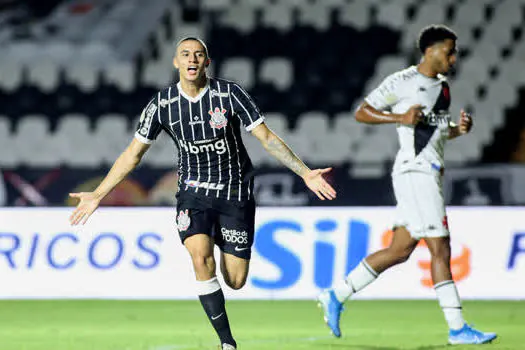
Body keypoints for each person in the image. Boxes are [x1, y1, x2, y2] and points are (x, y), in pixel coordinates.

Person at [69, 37, 336, 350]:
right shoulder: (162, 104)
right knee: (200, 258)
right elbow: (132, 154)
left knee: (235, 280)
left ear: (207, 62)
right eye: (185, 54)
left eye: (198, 54)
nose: (192, 59)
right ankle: (227, 343)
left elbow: (266, 138)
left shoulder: (230, 93)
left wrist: (304, 172)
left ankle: (224, 238)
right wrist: (99, 194)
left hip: (235, 192)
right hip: (193, 193)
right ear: (175, 62)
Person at [317, 25, 496, 345]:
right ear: (430, 51)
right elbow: (362, 112)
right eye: (449, 51)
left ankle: (336, 294)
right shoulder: (402, 81)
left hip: (427, 171)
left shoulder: (442, 88)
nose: (454, 58)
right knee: (440, 248)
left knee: (400, 250)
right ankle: (457, 329)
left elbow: (432, 131)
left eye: (455, 52)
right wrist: (397, 118)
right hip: (416, 172)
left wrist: (458, 130)